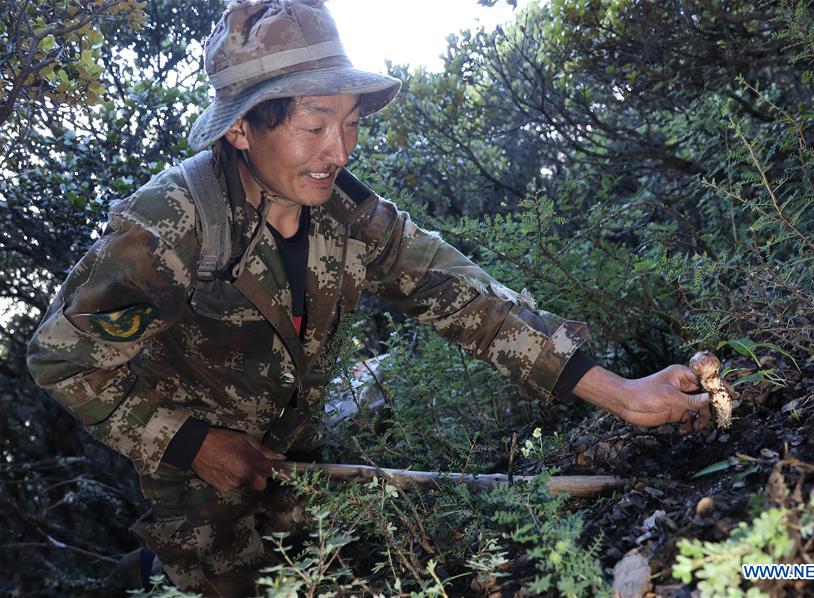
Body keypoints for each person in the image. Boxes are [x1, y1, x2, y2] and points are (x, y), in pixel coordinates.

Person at [27, 0, 711, 593]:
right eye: (315, 123)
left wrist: (623, 394)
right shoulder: (170, 225)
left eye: (351, 122)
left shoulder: (351, 214)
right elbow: (61, 360)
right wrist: (193, 443)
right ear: (243, 129)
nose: (339, 149)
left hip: (301, 469)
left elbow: (471, 302)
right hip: (198, 495)